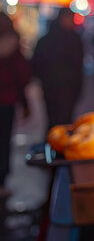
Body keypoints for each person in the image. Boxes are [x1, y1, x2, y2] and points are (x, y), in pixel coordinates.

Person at [33, 8, 84, 128]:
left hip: (62, 89)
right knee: (58, 124)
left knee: (60, 123)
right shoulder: (71, 39)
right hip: (57, 88)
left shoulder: (73, 39)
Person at [0, 12, 32, 197]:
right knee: (3, 143)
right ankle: (1, 182)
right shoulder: (13, 48)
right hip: (6, 102)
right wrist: (25, 102)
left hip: (7, 100)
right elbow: (22, 75)